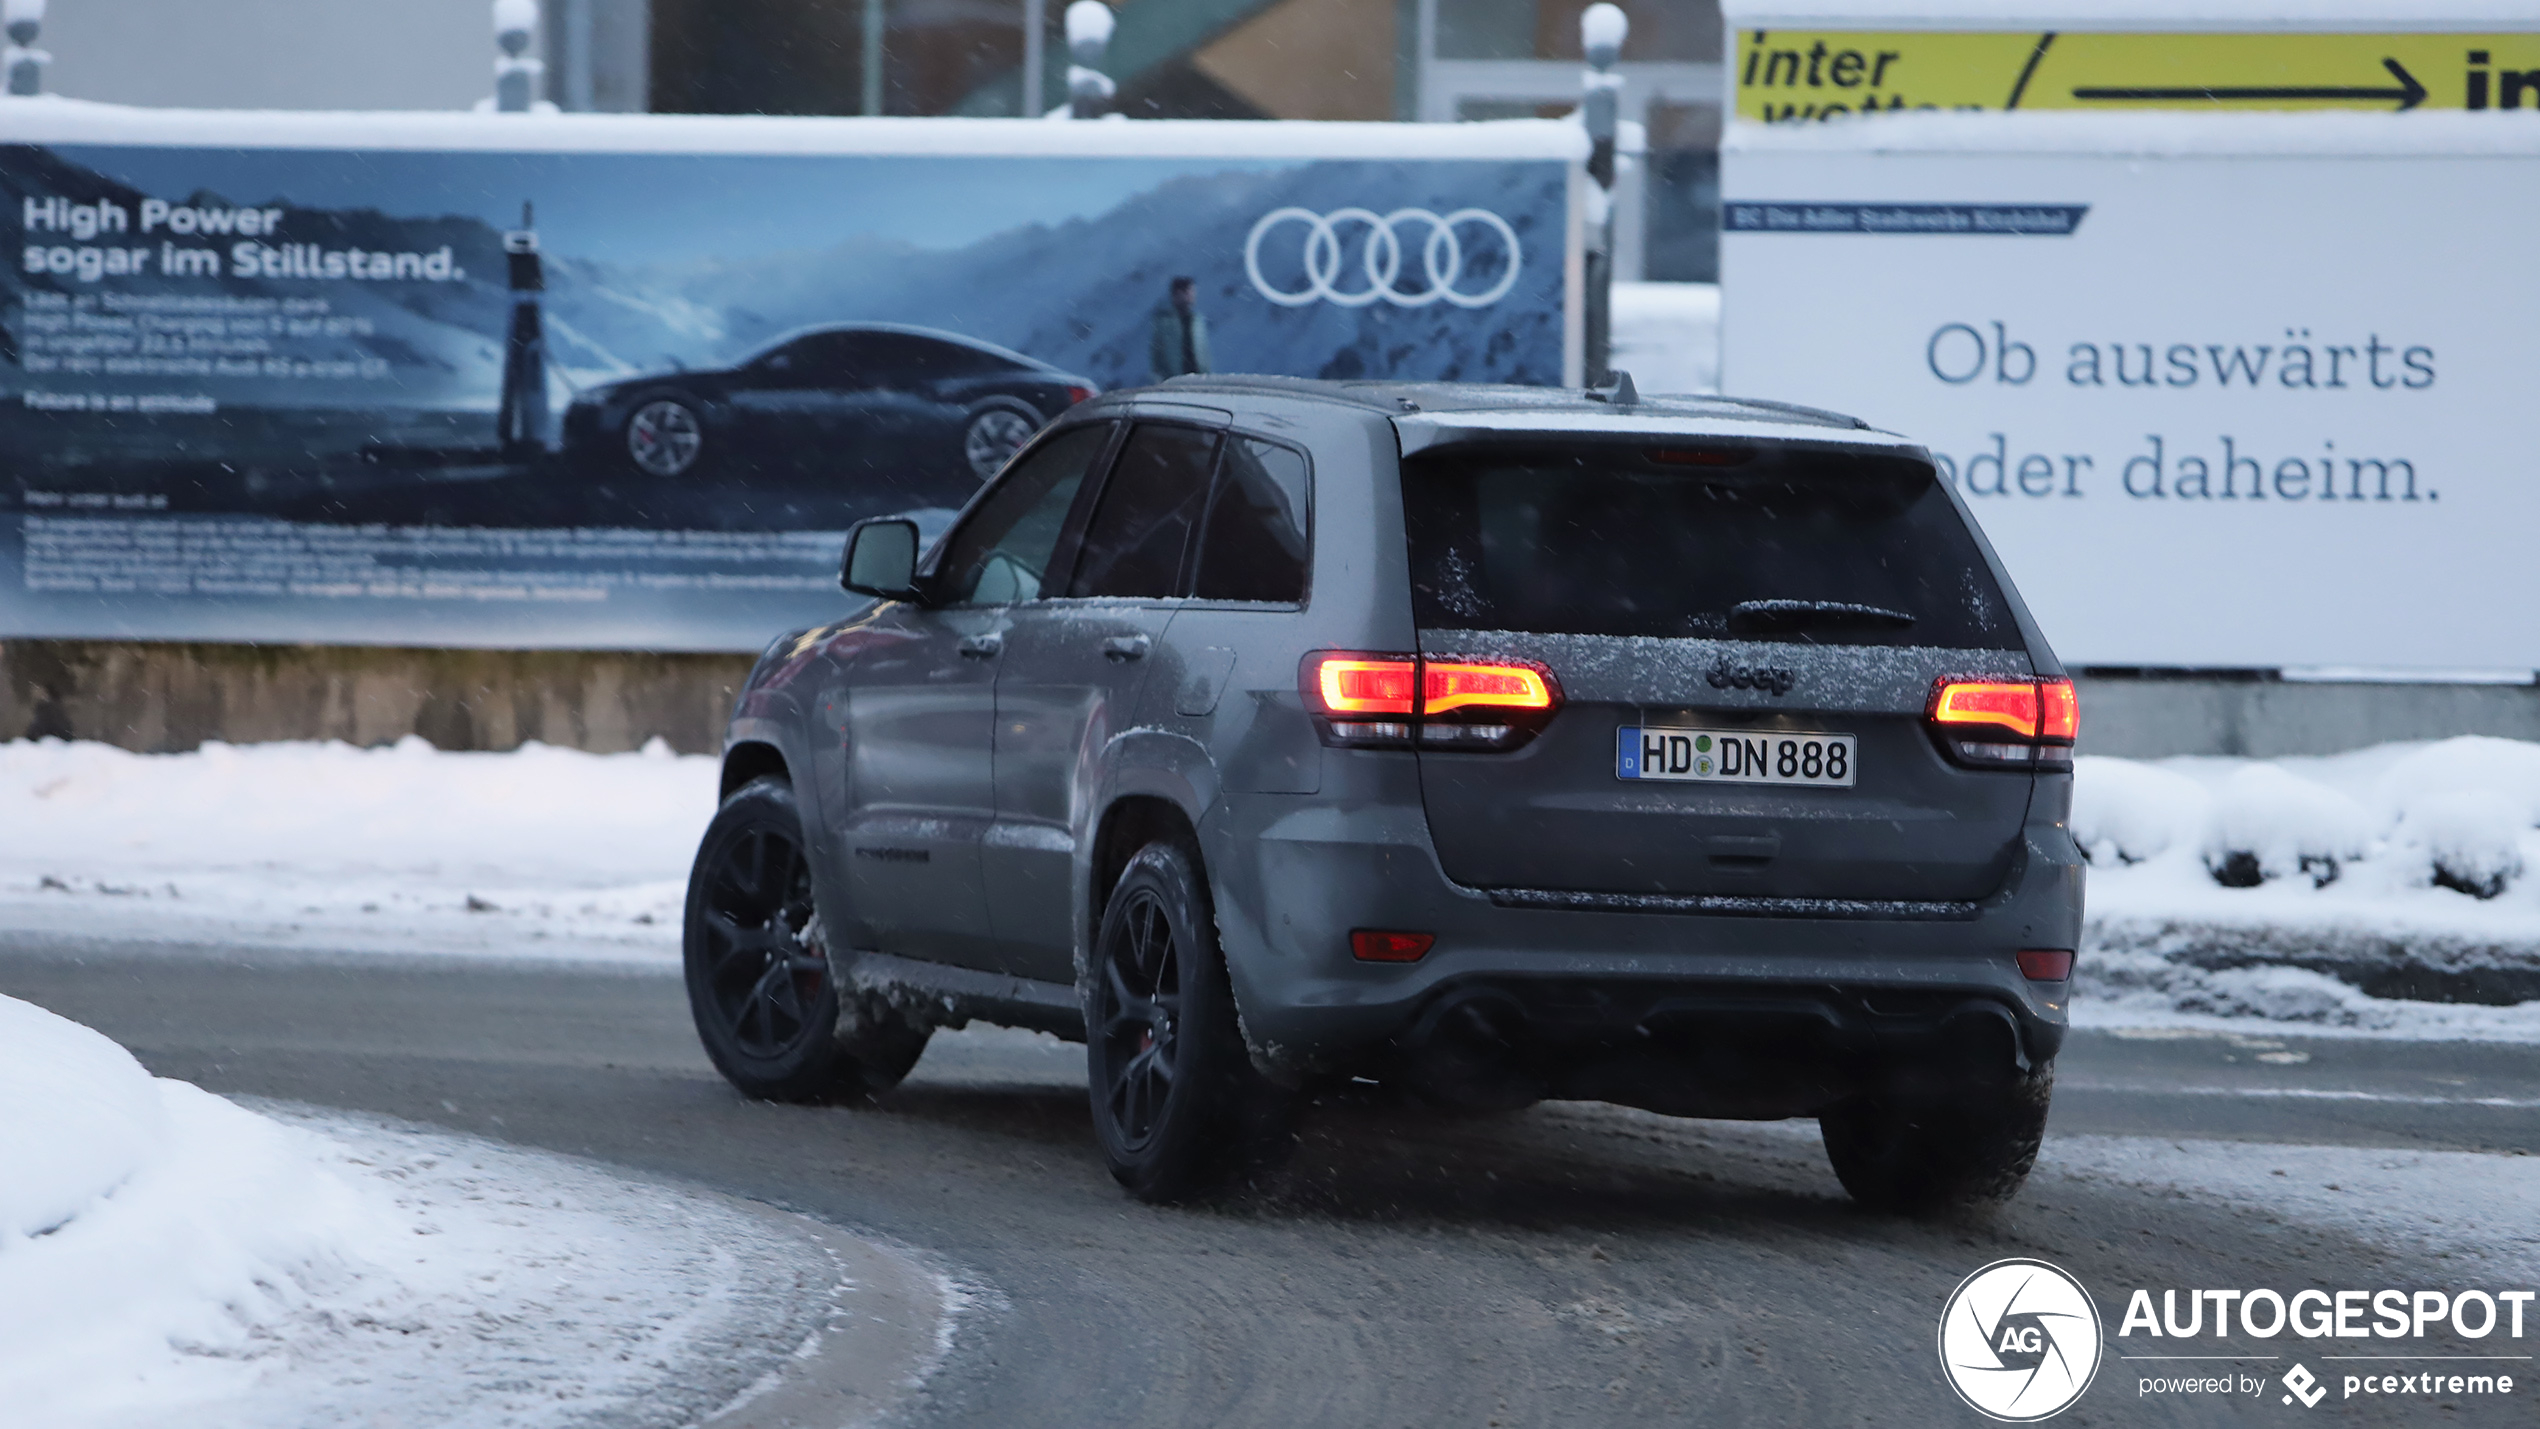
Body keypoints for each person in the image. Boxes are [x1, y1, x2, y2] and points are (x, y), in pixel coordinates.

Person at [1149, 276, 1212, 381]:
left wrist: (1206, 374)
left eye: (1192, 292)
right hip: (1175, 379)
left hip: (1198, 378)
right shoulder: (1164, 322)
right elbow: (1157, 354)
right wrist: (1162, 378)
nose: (1192, 296)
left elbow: (1203, 351)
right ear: (1177, 295)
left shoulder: (1196, 320)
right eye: (1188, 292)